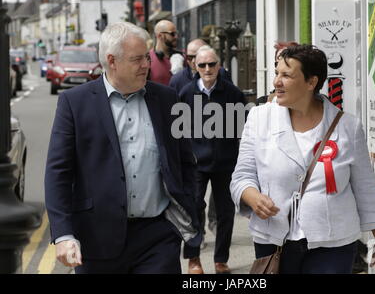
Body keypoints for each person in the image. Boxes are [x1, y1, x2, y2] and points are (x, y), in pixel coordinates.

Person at [44, 22, 201, 274]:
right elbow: (58, 172)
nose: (146, 65)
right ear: (112, 60)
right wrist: (63, 233)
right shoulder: (74, 103)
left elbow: (185, 161)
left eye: (146, 58)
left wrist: (189, 210)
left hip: (158, 238)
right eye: (137, 59)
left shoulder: (167, 99)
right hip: (96, 239)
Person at [230, 44, 375, 274]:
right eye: (277, 73)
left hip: (333, 242)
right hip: (273, 239)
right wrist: (252, 196)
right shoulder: (258, 118)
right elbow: (242, 175)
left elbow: (366, 187)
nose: (276, 81)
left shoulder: (347, 127)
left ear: (311, 82)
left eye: (286, 75)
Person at [179, 45, 248, 274]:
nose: (207, 69)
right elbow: (179, 131)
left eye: (212, 64)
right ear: (194, 66)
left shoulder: (233, 93)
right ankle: (193, 258)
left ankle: (221, 259)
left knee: (226, 213)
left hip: (225, 164)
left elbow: (240, 131)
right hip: (196, 165)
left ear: (219, 65)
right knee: (193, 210)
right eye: (202, 65)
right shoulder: (186, 94)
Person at [148, 19, 185, 86]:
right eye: (172, 34)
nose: (176, 37)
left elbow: (195, 87)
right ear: (160, 36)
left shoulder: (183, 57)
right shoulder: (148, 59)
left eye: (176, 33)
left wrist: (197, 97)